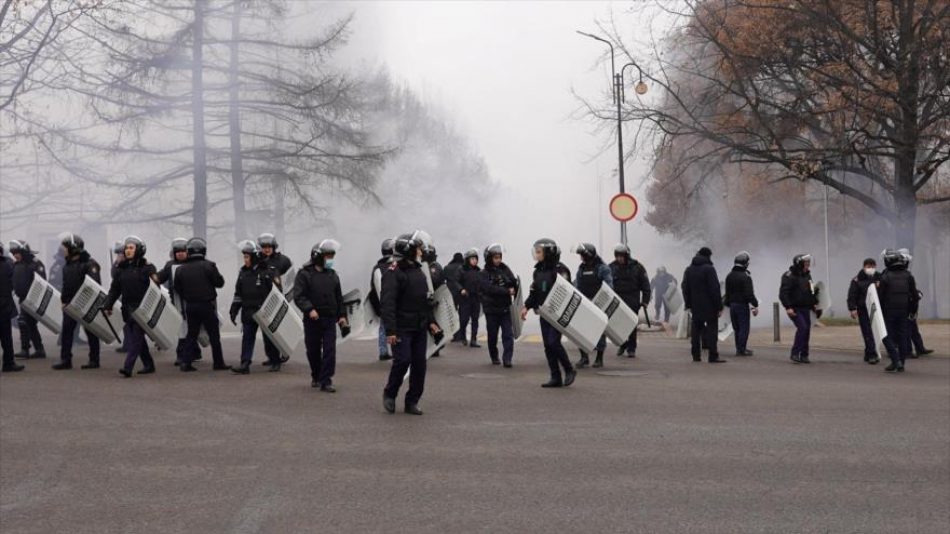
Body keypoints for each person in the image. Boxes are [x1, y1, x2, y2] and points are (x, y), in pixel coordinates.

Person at [381, 231, 441, 415]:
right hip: (401, 327)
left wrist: (431, 322)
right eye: (417, 249)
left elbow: (424, 300)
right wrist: (390, 330)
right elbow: (388, 303)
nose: (421, 253)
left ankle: (412, 400)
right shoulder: (393, 273)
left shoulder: (418, 271)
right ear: (408, 250)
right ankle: (390, 393)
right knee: (402, 361)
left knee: (419, 364)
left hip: (419, 326)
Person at [293, 239, 347, 392]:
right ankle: (316, 375)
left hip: (329, 318)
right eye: (328, 257)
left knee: (330, 350)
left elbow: (339, 297)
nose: (330, 260)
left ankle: (326, 380)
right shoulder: (304, 274)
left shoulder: (333, 275)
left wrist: (342, 316)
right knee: (313, 350)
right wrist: (309, 309)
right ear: (318, 256)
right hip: (312, 319)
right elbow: (299, 296)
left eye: (332, 257)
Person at [521, 238, 576, 388]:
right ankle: (555, 376)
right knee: (548, 345)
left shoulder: (560, 270)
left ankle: (569, 369)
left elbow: (567, 291)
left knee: (553, 342)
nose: (536, 255)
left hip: (558, 314)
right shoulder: (538, 271)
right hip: (544, 313)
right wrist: (526, 306)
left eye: (539, 252)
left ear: (548, 252)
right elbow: (534, 292)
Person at [103, 236, 158, 377]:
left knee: (136, 339)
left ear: (139, 250)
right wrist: (108, 305)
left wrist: (153, 273)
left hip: (143, 309)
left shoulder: (147, 268)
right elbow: (114, 289)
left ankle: (128, 367)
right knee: (138, 340)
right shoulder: (121, 270)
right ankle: (149, 365)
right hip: (128, 309)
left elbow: (157, 286)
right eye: (126, 248)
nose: (127, 251)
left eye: (131, 248)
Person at [174, 238, 230, 372]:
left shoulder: (180, 269)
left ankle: (186, 363)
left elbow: (177, 287)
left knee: (191, 334)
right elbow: (220, 283)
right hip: (206, 305)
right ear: (204, 251)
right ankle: (218, 362)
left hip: (191, 306)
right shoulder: (209, 266)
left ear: (189, 251)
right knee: (214, 335)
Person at [229, 240, 283, 375]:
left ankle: (275, 361)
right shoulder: (243, 272)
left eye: (247, 257)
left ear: (254, 257)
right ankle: (245, 364)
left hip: (265, 311)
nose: (245, 260)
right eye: (244, 257)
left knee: (270, 338)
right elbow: (238, 293)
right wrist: (234, 309)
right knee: (247, 338)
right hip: (248, 311)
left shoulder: (269, 271)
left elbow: (277, 293)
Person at [53, 233, 102, 371]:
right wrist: (64, 301)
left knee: (91, 332)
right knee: (67, 333)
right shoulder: (66, 266)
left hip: (85, 305)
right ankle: (65, 360)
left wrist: (84, 301)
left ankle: (94, 360)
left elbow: (94, 285)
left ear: (73, 248)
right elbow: (66, 285)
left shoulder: (90, 264)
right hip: (70, 305)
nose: (63, 250)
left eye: (65, 247)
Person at [155, 238, 197, 365]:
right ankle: (181, 354)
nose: (180, 253)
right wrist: (149, 275)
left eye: (182, 251)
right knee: (182, 329)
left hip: (194, 301)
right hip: (178, 302)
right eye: (177, 251)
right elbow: (159, 278)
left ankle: (195, 351)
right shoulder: (170, 265)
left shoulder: (195, 263)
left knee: (193, 328)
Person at [878, 249, 919, 373]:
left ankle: (896, 361)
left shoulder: (885, 276)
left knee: (885, 336)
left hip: (889, 312)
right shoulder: (908, 275)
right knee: (902, 336)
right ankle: (901, 362)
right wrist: (913, 311)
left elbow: (880, 297)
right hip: (904, 311)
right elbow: (915, 296)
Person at [682, 247, 725, 363]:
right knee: (712, 330)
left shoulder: (689, 269)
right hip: (710, 306)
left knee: (696, 331)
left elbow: (685, 288)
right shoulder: (709, 269)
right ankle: (713, 355)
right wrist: (719, 306)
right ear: (708, 256)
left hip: (695, 306)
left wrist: (688, 303)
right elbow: (715, 289)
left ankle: (696, 355)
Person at [479, 244, 518, 367]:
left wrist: (514, 287)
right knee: (492, 335)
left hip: (505, 308)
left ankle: (507, 359)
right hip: (491, 310)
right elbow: (489, 289)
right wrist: (506, 291)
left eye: (499, 257)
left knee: (508, 335)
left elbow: (513, 281)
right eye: (495, 257)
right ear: (489, 258)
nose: (498, 260)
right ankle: (494, 356)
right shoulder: (484, 273)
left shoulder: (505, 269)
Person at [574, 243, 612, 368]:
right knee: (579, 330)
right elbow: (576, 285)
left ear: (588, 255)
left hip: (598, 304)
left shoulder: (602, 268)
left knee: (599, 331)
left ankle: (599, 358)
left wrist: (599, 302)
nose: (581, 258)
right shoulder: (581, 269)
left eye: (582, 255)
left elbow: (609, 287)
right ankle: (584, 357)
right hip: (584, 304)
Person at [610, 244, 651, 358]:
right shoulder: (612, 267)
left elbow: (646, 285)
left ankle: (631, 348)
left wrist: (645, 301)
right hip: (617, 301)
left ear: (627, 256)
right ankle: (623, 343)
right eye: (617, 256)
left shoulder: (637, 267)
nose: (619, 259)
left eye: (621, 256)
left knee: (631, 325)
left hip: (632, 300)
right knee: (617, 325)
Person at [779, 253, 820, 364]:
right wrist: (788, 307)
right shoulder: (789, 276)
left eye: (809, 262)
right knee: (802, 327)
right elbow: (783, 293)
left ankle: (804, 355)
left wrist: (814, 303)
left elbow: (811, 291)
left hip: (805, 307)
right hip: (794, 308)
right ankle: (795, 353)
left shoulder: (807, 275)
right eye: (806, 262)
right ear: (800, 263)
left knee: (807, 330)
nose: (808, 265)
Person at [9, 240, 47, 360]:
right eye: (13, 253)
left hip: (33, 299)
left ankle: (25, 349)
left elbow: (42, 282)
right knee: (30, 324)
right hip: (22, 299)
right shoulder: (17, 264)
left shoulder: (36, 264)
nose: (15, 256)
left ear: (23, 251)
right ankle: (39, 349)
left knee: (24, 322)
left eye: (17, 253)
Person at [897, 250, 934, 358]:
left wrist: (916, 293)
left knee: (913, 328)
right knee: (906, 329)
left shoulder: (905, 273)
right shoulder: (896, 274)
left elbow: (910, 288)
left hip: (910, 305)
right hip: (903, 306)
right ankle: (907, 351)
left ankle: (920, 348)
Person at [847, 258, 881, 364]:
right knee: (867, 332)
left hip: (877, 309)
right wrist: (852, 309)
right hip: (863, 309)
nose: (871, 268)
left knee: (876, 332)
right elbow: (852, 295)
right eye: (868, 266)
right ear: (864, 267)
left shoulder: (879, 277)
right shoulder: (857, 280)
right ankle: (871, 354)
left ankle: (868, 352)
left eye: (872, 266)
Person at [724, 251, 759, 357]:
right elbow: (749, 294)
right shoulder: (746, 276)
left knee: (737, 329)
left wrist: (727, 305)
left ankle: (739, 348)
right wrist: (755, 305)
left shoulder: (729, 276)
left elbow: (727, 293)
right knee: (744, 328)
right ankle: (741, 349)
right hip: (742, 305)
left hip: (732, 306)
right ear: (745, 263)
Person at [367, 238, 395, 361]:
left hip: (382, 303)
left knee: (383, 327)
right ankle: (395, 350)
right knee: (394, 326)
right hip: (392, 302)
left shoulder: (377, 267)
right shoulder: (394, 266)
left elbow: (373, 287)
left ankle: (383, 351)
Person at [1, 243, 24, 372]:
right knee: (6, 337)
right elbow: (14, 283)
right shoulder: (8, 265)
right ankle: (8, 364)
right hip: (4, 306)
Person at [423, 244, 446, 358]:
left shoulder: (434, 267)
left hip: (434, 298)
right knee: (429, 322)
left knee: (432, 322)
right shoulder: (424, 266)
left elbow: (436, 280)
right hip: (428, 298)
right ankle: (434, 345)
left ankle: (437, 345)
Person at [458, 248, 482, 347]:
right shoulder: (462, 270)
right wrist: (461, 289)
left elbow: (482, 284)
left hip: (476, 298)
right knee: (464, 319)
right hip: (465, 299)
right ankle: (463, 336)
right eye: (472, 258)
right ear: (467, 259)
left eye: (475, 258)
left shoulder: (479, 271)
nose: (474, 260)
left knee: (475, 319)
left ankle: (473, 340)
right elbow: (456, 282)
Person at [443, 252, 465, 342]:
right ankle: (461, 335)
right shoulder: (463, 267)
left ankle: (454, 334)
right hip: (461, 292)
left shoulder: (447, 267)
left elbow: (442, 279)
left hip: (450, 293)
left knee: (452, 314)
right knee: (462, 314)